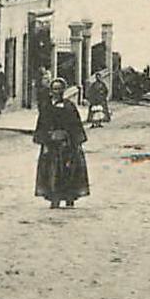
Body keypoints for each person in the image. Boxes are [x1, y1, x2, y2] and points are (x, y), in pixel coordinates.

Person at [35, 78, 89, 209]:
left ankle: (70, 197)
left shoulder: (69, 106)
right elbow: (42, 125)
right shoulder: (46, 107)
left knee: (69, 170)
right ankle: (54, 198)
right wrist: (45, 139)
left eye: (59, 89)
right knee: (52, 171)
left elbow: (76, 125)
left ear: (63, 90)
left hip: (67, 144)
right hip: (52, 144)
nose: (57, 91)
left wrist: (75, 141)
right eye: (54, 89)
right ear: (51, 91)